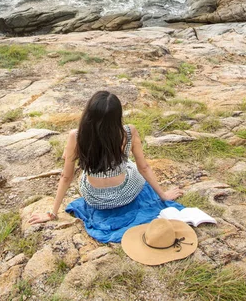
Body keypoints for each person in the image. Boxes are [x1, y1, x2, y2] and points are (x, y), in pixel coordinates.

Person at [29, 90, 183, 224]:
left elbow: (66, 177)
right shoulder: (128, 132)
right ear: (117, 116)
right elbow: (144, 167)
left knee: (86, 165)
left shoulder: (76, 136)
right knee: (128, 163)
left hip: (95, 199)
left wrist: (52, 213)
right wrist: (163, 195)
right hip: (126, 194)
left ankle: (69, 152)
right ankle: (78, 154)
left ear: (88, 114)